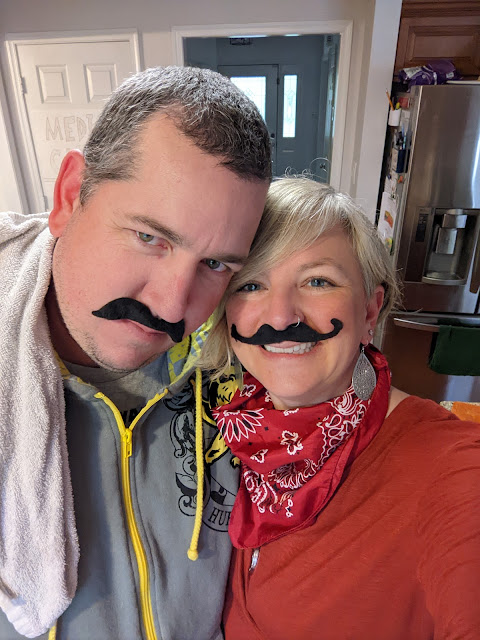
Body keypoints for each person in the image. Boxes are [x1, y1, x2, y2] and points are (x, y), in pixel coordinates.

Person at [0, 66, 270, 640]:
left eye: (215, 264)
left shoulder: (238, 374)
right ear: (70, 195)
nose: (173, 306)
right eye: (150, 238)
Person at [201, 177, 480, 640]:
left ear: (370, 311)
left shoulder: (449, 464)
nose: (280, 316)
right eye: (250, 284)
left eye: (317, 281)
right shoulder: (229, 430)